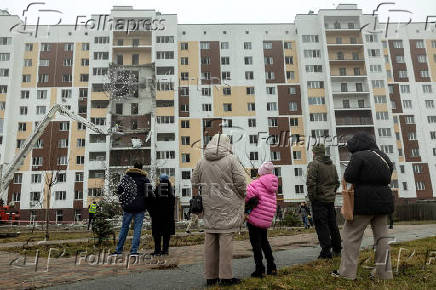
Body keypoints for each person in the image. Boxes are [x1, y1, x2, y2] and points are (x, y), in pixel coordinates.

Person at [332, 132, 394, 280]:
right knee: (382, 238)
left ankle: (346, 273)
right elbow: (389, 174)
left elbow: (349, 176)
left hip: (363, 202)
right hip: (384, 202)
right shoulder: (383, 156)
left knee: (351, 236)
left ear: (358, 144)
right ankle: (383, 274)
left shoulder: (358, 156)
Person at [191, 133, 247, 286]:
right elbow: (241, 182)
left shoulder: (202, 161)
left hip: (209, 207)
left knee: (210, 241)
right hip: (228, 207)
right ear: (226, 144)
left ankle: (210, 277)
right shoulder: (231, 160)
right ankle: (226, 277)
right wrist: (242, 195)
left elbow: (194, 181)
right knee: (226, 240)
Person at [306, 144, 341, 259]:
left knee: (322, 226)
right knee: (333, 225)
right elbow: (337, 182)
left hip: (319, 200)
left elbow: (311, 183)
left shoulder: (314, 164)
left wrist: (313, 198)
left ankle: (326, 252)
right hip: (330, 200)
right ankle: (337, 248)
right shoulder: (332, 165)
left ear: (314, 153)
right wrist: (332, 193)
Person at [245, 161, 278, 278]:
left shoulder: (256, 183)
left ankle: (260, 269)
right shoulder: (273, 186)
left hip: (254, 218)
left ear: (260, 172)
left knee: (256, 245)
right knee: (265, 242)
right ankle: (272, 267)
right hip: (266, 219)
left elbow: (247, 195)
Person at [113, 161, 151, 255]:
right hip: (140, 208)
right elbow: (149, 194)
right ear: (141, 168)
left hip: (128, 206)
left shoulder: (126, 178)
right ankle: (134, 251)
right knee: (137, 228)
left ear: (133, 167)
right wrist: (146, 205)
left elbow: (119, 191)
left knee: (124, 227)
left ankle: (118, 250)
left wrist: (123, 201)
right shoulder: (145, 179)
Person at [150, 174, 175, 255]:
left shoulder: (157, 189)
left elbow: (152, 202)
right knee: (166, 233)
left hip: (157, 216)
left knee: (157, 233)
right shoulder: (171, 190)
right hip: (168, 216)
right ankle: (165, 250)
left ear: (160, 180)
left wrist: (152, 212)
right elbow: (172, 203)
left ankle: (157, 250)